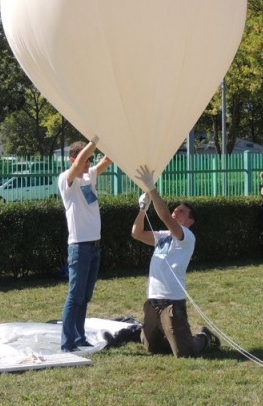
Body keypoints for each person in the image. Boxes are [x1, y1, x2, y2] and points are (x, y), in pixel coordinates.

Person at [131, 165, 219, 357]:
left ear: (189, 222)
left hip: (172, 302)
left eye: (181, 212)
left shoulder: (187, 236)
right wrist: (142, 210)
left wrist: (151, 188)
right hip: (153, 300)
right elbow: (136, 233)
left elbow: (163, 216)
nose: (174, 213)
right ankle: (170, 334)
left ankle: (204, 335)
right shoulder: (163, 236)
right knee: (150, 347)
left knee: (185, 353)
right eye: (175, 210)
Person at [57, 138, 113, 352]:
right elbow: (79, 162)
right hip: (79, 246)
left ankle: (79, 338)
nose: (88, 163)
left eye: (90, 160)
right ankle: (67, 342)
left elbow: (108, 158)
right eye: (85, 159)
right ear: (73, 160)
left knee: (85, 296)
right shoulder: (66, 180)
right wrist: (96, 138)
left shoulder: (90, 176)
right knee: (75, 295)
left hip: (94, 246)